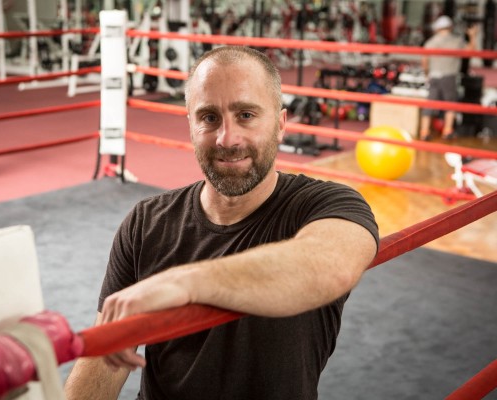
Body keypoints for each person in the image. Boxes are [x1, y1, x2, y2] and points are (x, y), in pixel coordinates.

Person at [64, 45, 379, 400]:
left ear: (280, 125)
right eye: (209, 117)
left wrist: (182, 283)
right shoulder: (145, 223)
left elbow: (328, 266)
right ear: (190, 125)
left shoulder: (326, 205)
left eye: (246, 115)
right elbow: (107, 359)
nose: (227, 139)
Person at [419, 15, 479, 141]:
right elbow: (470, 51)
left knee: (429, 104)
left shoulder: (431, 42)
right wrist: (473, 36)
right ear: (450, 27)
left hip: (434, 76)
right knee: (450, 104)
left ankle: (424, 132)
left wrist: (427, 74)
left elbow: (424, 61)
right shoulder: (455, 41)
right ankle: (447, 131)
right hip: (449, 77)